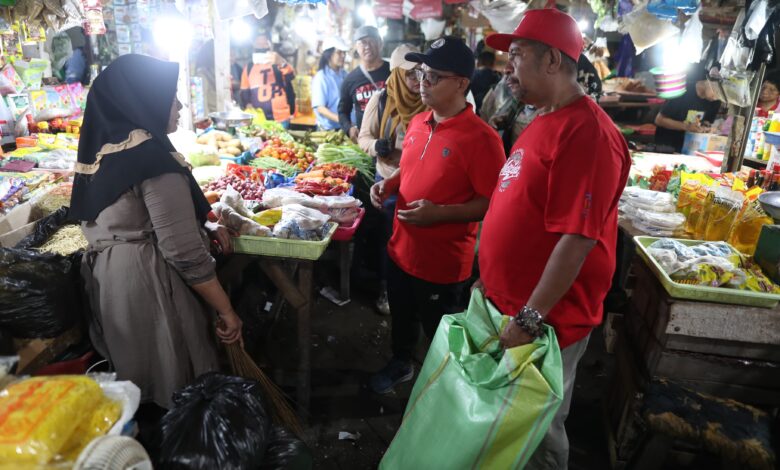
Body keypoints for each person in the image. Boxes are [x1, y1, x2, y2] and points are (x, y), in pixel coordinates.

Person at [482, 9, 631, 468]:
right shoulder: (543, 118)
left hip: (548, 321)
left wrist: (528, 318)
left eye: (518, 55)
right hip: (511, 304)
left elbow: (577, 240)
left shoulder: (587, 133)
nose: (509, 66)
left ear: (551, 61)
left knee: (539, 430)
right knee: (510, 424)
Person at [69, 54, 243, 409]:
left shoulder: (103, 153)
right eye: (171, 96)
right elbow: (184, 252)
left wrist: (203, 219)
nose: (178, 105)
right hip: (151, 288)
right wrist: (227, 311)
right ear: (142, 98)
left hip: (113, 287)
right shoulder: (151, 160)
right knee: (176, 386)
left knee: (140, 387)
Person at [368, 37, 505, 394]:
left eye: (433, 77)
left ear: (461, 83)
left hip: (441, 264)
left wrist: (439, 214)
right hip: (401, 249)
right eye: (421, 74)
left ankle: (445, 392)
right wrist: (390, 184)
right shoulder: (419, 122)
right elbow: (410, 169)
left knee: (440, 335)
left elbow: (492, 203)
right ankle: (401, 364)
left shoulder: (483, 139)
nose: (422, 84)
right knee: (401, 318)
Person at [358, 44, 426, 315]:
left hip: (419, 182)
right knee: (388, 238)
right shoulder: (381, 100)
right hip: (388, 180)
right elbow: (363, 137)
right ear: (397, 74)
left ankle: (412, 290)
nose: (416, 81)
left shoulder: (430, 101)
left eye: (420, 73)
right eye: (409, 75)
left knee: (415, 241)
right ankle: (388, 289)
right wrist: (377, 146)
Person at [338, 26, 391, 142]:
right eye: (363, 43)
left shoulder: (393, 72)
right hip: (367, 141)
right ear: (357, 47)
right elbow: (342, 111)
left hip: (392, 138)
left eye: (372, 41)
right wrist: (349, 128)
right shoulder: (350, 80)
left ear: (380, 43)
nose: (367, 46)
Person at [654, 67, 720, 153]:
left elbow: (707, 122)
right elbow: (659, 120)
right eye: (717, 91)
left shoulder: (715, 101)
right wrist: (687, 127)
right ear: (709, 81)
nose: (716, 97)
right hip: (667, 145)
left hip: (691, 149)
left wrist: (706, 128)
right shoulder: (683, 91)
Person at [239, 34, 296, 126]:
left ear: (270, 46)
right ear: (254, 46)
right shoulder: (249, 68)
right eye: (259, 44)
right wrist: (247, 105)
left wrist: (281, 62)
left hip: (281, 118)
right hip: (258, 120)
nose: (261, 46)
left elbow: (291, 76)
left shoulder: (278, 62)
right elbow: (244, 92)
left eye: (264, 44)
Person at [311, 37, 350, 130]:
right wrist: (342, 120)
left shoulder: (345, 74)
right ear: (329, 54)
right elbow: (320, 108)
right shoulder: (321, 77)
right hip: (328, 130)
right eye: (339, 52)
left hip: (344, 127)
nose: (343, 56)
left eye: (344, 52)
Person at [471, 51, 501, 115]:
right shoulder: (498, 78)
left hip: (472, 113)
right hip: (490, 116)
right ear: (493, 64)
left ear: (478, 63)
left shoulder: (469, 76)